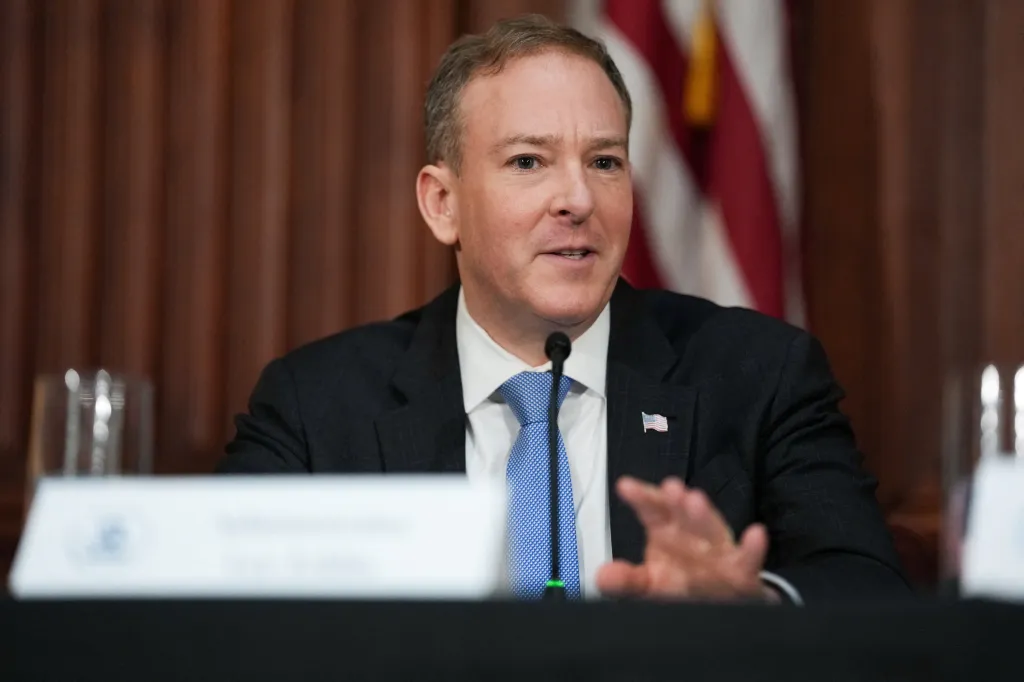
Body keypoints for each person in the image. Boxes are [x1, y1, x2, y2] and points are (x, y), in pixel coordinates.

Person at [219, 14, 909, 604]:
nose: (578, 199)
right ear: (442, 203)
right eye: (528, 162)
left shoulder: (760, 374)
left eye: (605, 162)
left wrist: (750, 604)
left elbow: (868, 589)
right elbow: (214, 615)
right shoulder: (317, 406)